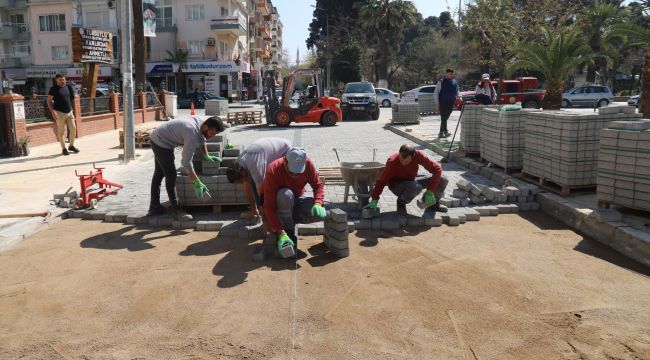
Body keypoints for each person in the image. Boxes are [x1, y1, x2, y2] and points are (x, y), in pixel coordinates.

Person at [148, 116, 226, 221]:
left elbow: (202, 138)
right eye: (213, 133)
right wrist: (197, 182)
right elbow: (186, 162)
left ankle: (154, 207)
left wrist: (206, 155)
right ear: (206, 127)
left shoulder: (201, 123)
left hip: (159, 136)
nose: (213, 136)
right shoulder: (191, 133)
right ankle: (177, 211)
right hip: (161, 142)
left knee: (159, 173)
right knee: (170, 175)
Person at [263, 147, 326, 254]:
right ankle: (287, 231)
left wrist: (318, 203)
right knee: (285, 194)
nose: (296, 175)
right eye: (293, 171)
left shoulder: (308, 164)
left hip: (298, 197)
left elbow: (318, 185)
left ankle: (292, 221)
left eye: (298, 172)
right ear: (285, 162)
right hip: (282, 203)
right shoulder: (273, 170)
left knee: (317, 211)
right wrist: (280, 231)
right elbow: (269, 206)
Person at [363, 144, 448, 215]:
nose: (403, 164)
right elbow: (382, 181)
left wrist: (430, 191)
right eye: (401, 161)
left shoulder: (418, 155)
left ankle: (432, 204)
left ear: (413, 156)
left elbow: (437, 168)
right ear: (399, 153)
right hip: (397, 185)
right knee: (416, 187)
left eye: (406, 162)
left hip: (411, 179)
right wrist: (374, 199)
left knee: (443, 178)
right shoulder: (392, 161)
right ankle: (401, 203)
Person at [226, 137, 292, 222]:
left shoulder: (254, 166)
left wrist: (264, 216)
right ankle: (260, 212)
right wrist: (254, 210)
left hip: (285, 151)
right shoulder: (239, 164)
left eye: (241, 181)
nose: (243, 183)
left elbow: (262, 193)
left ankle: (279, 213)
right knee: (252, 182)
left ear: (242, 173)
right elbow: (246, 186)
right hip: (268, 148)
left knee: (273, 185)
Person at [47, 74, 79, 156]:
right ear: (56, 80)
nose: (62, 81)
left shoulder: (68, 87)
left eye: (63, 79)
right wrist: (53, 111)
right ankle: (64, 148)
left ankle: (71, 146)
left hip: (69, 112)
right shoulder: (53, 89)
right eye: (60, 80)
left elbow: (72, 99)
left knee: (73, 129)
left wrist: (72, 109)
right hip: (59, 113)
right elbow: (49, 101)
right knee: (61, 132)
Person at [433, 69, 460, 138]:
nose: (450, 75)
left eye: (451, 74)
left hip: (451, 102)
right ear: (446, 74)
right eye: (449, 73)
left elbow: (457, 91)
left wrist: (459, 96)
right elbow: (436, 93)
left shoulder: (455, 82)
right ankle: (442, 132)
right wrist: (437, 103)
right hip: (442, 102)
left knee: (444, 118)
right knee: (444, 117)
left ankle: (443, 131)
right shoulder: (441, 82)